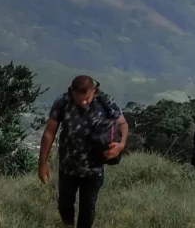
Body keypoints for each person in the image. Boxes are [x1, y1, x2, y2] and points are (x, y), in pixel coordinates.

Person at [38, 75, 128, 228]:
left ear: (94, 91)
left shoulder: (104, 101)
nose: (84, 103)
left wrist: (121, 145)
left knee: (88, 207)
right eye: (80, 99)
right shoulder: (63, 102)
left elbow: (123, 124)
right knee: (65, 204)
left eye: (87, 98)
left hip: (94, 168)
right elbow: (49, 132)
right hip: (68, 166)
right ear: (72, 92)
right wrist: (43, 163)